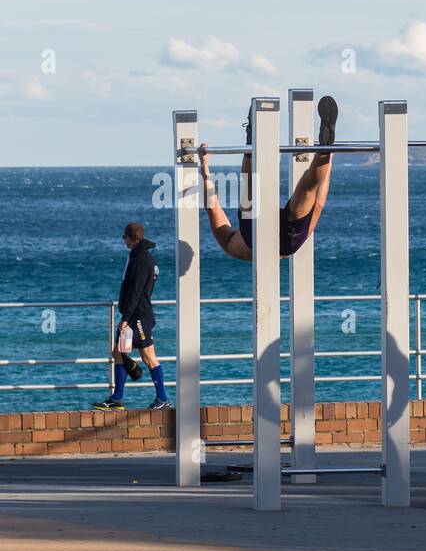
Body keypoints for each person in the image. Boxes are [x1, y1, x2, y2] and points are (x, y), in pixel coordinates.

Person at [196, 95, 338, 261]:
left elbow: (319, 203)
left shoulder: (235, 248)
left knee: (308, 189)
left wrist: (328, 158)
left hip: (287, 243)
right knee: (251, 182)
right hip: (255, 237)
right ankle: (251, 145)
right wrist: (204, 168)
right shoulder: (232, 246)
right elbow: (212, 207)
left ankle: (323, 153)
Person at [94, 223, 170, 410]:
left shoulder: (141, 260)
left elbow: (135, 291)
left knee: (149, 356)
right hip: (134, 316)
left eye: (124, 237)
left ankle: (162, 398)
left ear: (130, 237)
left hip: (139, 318)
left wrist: (125, 318)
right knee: (119, 352)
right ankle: (117, 398)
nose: (123, 240)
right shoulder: (142, 257)